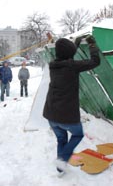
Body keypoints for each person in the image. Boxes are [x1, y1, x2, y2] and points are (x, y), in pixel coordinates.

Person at [43, 36, 101, 174]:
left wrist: (76, 42)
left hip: (51, 114)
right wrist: (92, 44)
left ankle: (60, 167)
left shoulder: (53, 65)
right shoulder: (72, 66)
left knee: (61, 139)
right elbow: (95, 61)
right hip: (66, 116)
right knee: (78, 135)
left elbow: (67, 54)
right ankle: (62, 159)